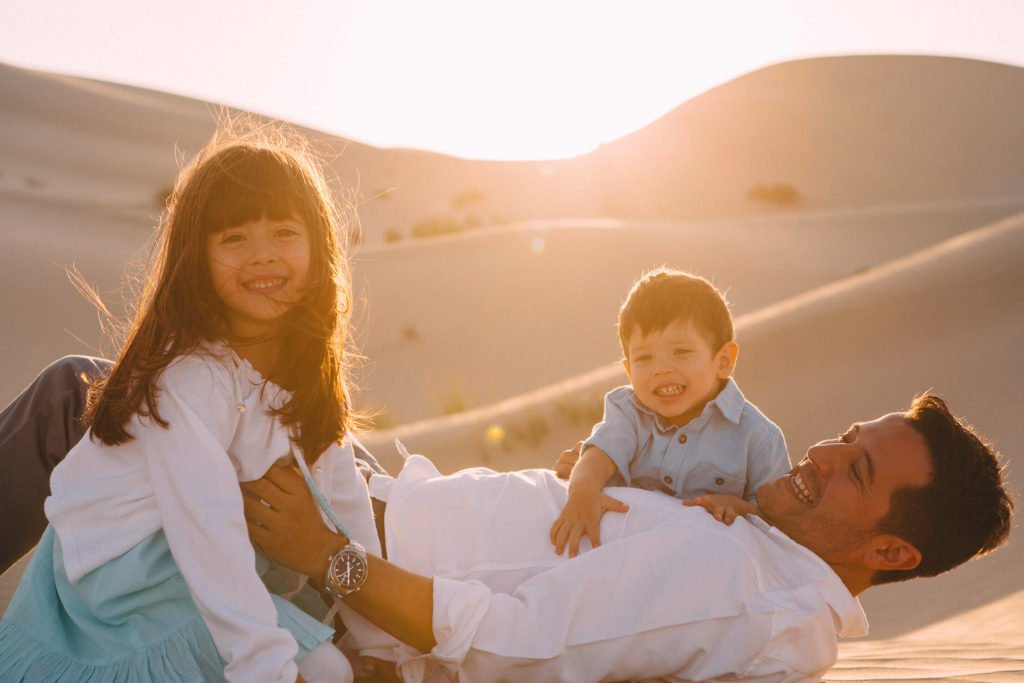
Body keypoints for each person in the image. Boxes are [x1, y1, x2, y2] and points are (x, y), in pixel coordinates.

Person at [242, 394, 1013, 682]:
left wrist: (326, 555)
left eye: (858, 467)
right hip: (356, 501)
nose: (822, 452)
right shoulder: (757, 547)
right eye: (846, 431)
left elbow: (519, 643)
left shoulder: (746, 592)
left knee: (135, 394)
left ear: (888, 552)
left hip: (326, 560)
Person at [0, 129, 383, 683]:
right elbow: (207, 528)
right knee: (323, 670)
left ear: (319, 248)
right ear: (197, 257)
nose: (263, 255)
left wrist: (384, 644)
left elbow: (348, 512)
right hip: (124, 580)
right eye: (234, 238)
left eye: (284, 232)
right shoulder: (191, 379)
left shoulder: (306, 384)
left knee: (338, 666)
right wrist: (268, 668)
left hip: (195, 569)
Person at [550, 267, 790, 556]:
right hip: (630, 556)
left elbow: (781, 526)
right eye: (644, 357)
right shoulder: (628, 412)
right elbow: (598, 457)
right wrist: (582, 490)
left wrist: (741, 509)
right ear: (628, 370)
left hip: (712, 570)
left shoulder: (759, 438)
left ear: (723, 360)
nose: (661, 368)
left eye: (681, 351)